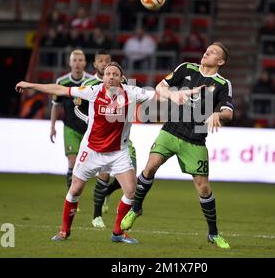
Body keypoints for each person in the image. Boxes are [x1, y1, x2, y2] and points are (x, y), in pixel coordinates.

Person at [15, 62, 200, 244]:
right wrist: (31, 85)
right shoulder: (93, 92)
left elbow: (157, 95)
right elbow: (61, 89)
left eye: (115, 74)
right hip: (92, 151)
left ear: (121, 78)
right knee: (75, 189)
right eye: (108, 74)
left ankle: (118, 233)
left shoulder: (131, 92)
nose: (111, 76)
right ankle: (64, 231)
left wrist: (176, 96)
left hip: (118, 152)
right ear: (103, 78)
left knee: (130, 191)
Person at [121, 42, 234, 249]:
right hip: (171, 130)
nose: (207, 52)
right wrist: (173, 94)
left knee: (203, 188)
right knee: (150, 167)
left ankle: (213, 233)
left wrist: (218, 114)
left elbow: (229, 111)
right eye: (207, 49)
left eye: (214, 52)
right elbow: (160, 87)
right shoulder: (186, 68)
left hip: (195, 138)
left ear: (221, 61)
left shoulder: (222, 83)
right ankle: (136, 208)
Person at [73, 50, 138, 229]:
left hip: (122, 139)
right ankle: (97, 215)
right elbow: (77, 109)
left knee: (130, 178)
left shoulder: (123, 84)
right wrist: (89, 120)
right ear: (95, 64)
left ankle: (109, 193)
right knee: (102, 174)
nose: (103, 64)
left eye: (107, 61)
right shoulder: (89, 85)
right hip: (98, 138)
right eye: (100, 61)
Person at [50, 50, 93, 189]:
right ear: (70, 63)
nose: (77, 63)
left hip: (89, 129)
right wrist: (52, 127)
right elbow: (55, 106)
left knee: (94, 167)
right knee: (72, 161)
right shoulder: (62, 82)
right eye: (74, 60)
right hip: (70, 127)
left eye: (80, 60)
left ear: (85, 63)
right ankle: (72, 198)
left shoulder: (92, 81)